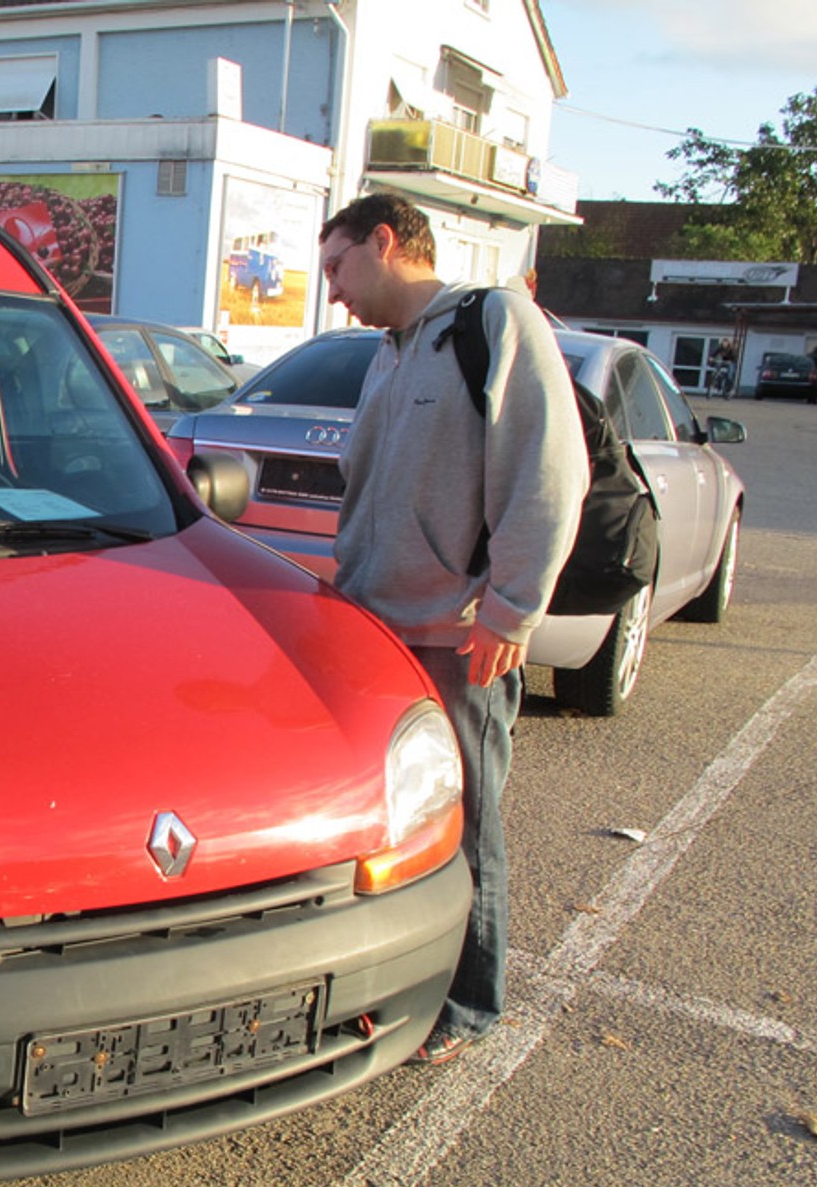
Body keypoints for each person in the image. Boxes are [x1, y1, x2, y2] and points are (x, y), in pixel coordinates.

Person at [318, 193, 588, 1065]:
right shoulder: (388, 355)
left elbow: (548, 471)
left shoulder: (495, 323)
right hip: (378, 629)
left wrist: (512, 608)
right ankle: (396, 986)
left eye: (336, 266)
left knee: (466, 825)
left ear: (385, 242)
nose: (333, 292)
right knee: (388, 828)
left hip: (457, 636)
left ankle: (470, 1004)